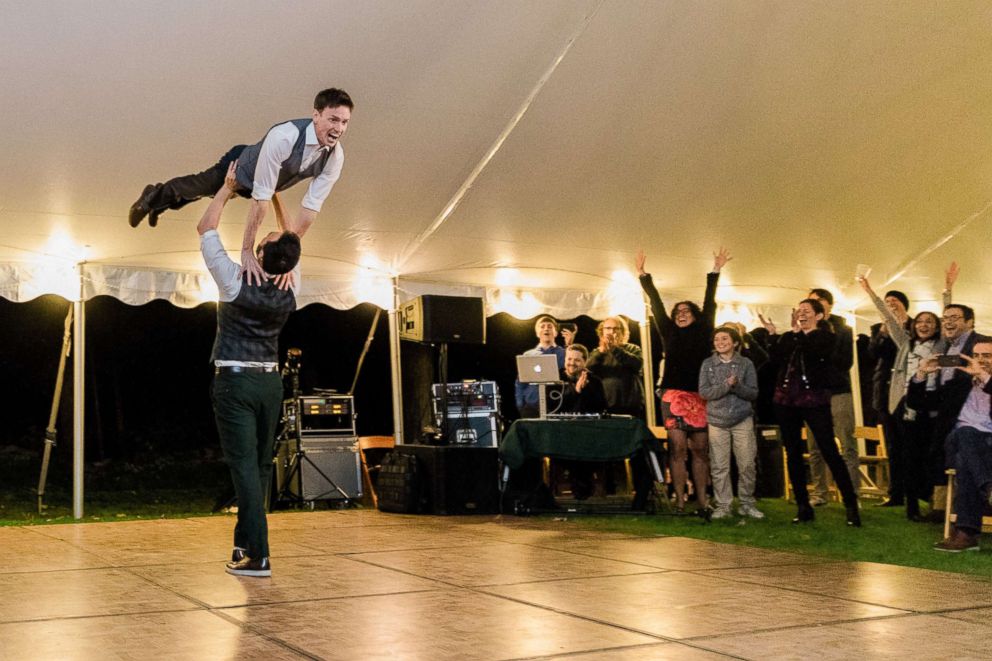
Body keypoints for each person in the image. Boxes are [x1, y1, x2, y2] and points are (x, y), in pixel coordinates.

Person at [131, 88, 351, 284]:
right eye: (333, 119)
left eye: (344, 122)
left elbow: (310, 209)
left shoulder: (335, 157)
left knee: (208, 196)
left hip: (257, 184)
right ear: (316, 115)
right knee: (198, 187)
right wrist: (246, 251)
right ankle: (150, 198)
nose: (339, 128)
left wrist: (288, 256)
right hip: (240, 166)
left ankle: (161, 205)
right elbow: (261, 200)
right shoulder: (285, 136)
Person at [199, 163, 302, 577]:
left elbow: (206, 228)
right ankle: (244, 546)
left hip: (236, 383)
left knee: (244, 466)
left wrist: (226, 190)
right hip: (269, 385)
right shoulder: (290, 284)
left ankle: (259, 556)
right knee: (260, 465)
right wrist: (273, 193)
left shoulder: (233, 280)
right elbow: (290, 236)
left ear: (260, 254)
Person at [637, 248, 729, 515]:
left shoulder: (704, 329)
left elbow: (710, 300)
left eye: (686, 310)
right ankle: (679, 500)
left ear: (696, 315)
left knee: (700, 450)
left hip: (700, 395)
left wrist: (715, 271)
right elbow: (655, 304)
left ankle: (702, 500)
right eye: (678, 310)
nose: (681, 313)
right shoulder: (668, 332)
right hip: (674, 395)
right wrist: (644, 277)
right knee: (677, 448)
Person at [859, 271, 951, 519]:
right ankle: (911, 507)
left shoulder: (941, 345)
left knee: (929, 453)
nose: (924, 325)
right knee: (907, 454)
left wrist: (947, 290)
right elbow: (888, 318)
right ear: (914, 325)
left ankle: (934, 502)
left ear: (937, 327)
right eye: (920, 321)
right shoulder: (905, 343)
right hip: (906, 404)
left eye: (929, 322)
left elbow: (948, 317)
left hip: (932, 405)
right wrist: (870, 292)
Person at [767, 298, 861, 526]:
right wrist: (772, 336)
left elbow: (813, 353)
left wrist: (798, 334)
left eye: (807, 311)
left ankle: (850, 503)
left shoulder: (826, 337)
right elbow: (776, 358)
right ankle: (803, 505)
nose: (801, 314)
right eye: (799, 310)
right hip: (787, 400)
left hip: (814, 399)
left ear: (819, 316)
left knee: (829, 448)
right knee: (793, 452)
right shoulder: (791, 337)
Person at [907, 304, 985, 520]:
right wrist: (921, 375)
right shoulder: (945, 350)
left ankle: (968, 509)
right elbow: (940, 393)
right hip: (947, 418)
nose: (948, 322)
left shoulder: (982, 344)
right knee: (940, 456)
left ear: (970, 322)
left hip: (978, 420)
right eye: (945, 318)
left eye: (955, 318)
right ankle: (943, 508)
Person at [931, 340, 992, 551]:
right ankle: (988, 487)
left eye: (988, 355)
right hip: (958, 439)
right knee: (965, 432)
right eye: (977, 355)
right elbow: (919, 403)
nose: (981, 360)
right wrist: (923, 375)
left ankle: (966, 534)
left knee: (964, 462)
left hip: (987, 447)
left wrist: (985, 378)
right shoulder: (960, 383)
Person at [698, 327, 763, 519]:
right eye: (717, 339)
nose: (720, 342)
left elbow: (753, 393)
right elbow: (705, 392)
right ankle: (723, 505)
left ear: (735, 342)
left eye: (725, 338)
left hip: (742, 418)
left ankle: (746, 503)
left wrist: (737, 386)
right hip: (717, 421)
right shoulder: (708, 364)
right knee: (719, 465)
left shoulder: (746, 364)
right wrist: (727, 386)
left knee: (746, 464)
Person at [805, 288, 859, 505]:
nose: (812, 306)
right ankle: (820, 492)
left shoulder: (842, 328)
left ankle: (851, 493)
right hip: (813, 394)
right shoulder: (805, 329)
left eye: (817, 301)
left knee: (847, 444)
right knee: (815, 445)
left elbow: (846, 361)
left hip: (838, 391)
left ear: (828, 304)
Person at [586, 316, 644, 417]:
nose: (611, 331)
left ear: (622, 332)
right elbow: (588, 369)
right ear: (602, 332)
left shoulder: (632, 348)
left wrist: (614, 349)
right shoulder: (597, 352)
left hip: (629, 404)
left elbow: (637, 364)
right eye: (608, 328)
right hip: (605, 404)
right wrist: (601, 352)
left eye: (615, 328)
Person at [514, 316, 567, 419]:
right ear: (537, 333)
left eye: (550, 326)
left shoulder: (564, 353)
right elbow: (520, 381)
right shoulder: (528, 355)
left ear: (555, 332)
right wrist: (520, 404)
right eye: (542, 327)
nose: (546, 329)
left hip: (555, 405)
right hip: (532, 406)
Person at [555, 343, 608, 415]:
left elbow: (600, 408)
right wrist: (575, 391)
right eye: (569, 359)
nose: (572, 363)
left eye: (577, 360)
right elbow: (552, 407)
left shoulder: (595, 381)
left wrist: (585, 390)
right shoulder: (554, 379)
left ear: (585, 362)